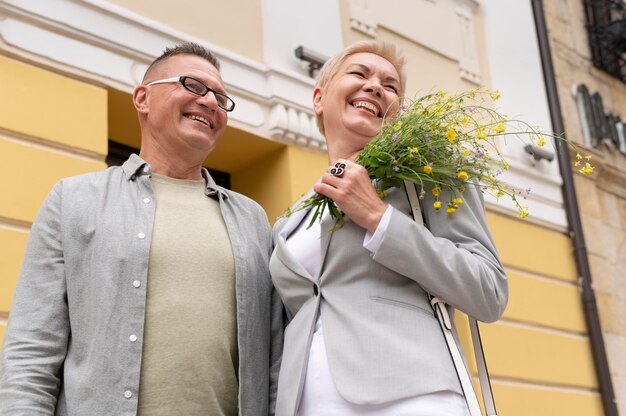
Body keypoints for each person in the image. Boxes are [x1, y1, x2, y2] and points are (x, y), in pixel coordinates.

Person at [0, 42, 282, 416]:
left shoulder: (254, 220)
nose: (211, 101)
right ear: (143, 99)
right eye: (194, 85)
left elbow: (275, 359)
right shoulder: (74, 199)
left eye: (220, 96)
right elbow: (32, 350)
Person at [270, 41, 508, 416]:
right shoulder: (291, 220)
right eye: (359, 74)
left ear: (397, 113)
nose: (376, 86)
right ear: (319, 97)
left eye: (391, 85)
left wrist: (379, 218)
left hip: (412, 397)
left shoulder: (428, 175)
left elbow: (488, 291)